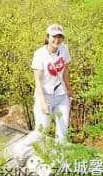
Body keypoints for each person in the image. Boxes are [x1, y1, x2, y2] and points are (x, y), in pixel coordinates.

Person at [12, 24, 73, 165]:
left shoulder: (64, 50)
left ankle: (59, 160)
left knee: (63, 131)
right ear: (48, 37)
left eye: (59, 37)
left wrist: (69, 88)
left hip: (61, 95)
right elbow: (37, 80)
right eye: (54, 36)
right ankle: (20, 148)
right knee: (41, 131)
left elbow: (65, 70)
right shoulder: (40, 54)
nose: (56, 40)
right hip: (45, 96)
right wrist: (43, 102)